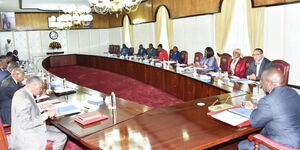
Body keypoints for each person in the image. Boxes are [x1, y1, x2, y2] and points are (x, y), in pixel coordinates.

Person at [238, 68, 300, 150]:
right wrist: (254, 106)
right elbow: (279, 108)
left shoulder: (268, 100)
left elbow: (255, 122)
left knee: (242, 145)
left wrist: (252, 110)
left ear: (269, 83)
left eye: (262, 81)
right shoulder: (293, 92)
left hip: (284, 145)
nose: (260, 84)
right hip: (296, 140)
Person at [11, 76, 67, 150]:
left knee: (59, 130)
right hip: (28, 135)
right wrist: (46, 114)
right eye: (40, 88)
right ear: (31, 86)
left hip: (29, 129)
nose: (41, 90)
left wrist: (40, 107)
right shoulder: (24, 100)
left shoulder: (21, 92)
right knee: (62, 137)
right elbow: (26, 124)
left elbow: (28, 109)